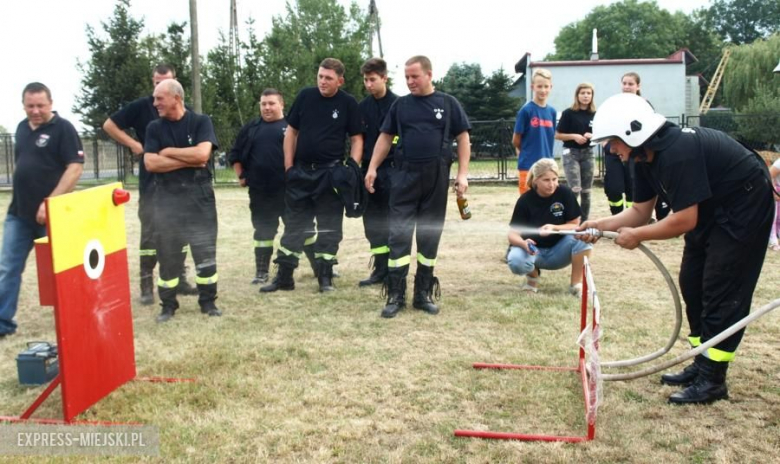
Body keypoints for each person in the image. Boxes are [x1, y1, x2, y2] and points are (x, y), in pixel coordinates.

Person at [579, 93, 774, 405]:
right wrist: (597, 225)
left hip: (744, 205)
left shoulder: (677, 153)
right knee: (692, 282)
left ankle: (713, 378)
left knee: (720, 286)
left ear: (633, 132)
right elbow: (639, 212)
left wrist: (637, 236)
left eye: (612, 141)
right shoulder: (643, 158)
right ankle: (701, 361)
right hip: (712, 207)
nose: (610, 149)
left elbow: (683, 220)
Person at [365, 55, 471, 318]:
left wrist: (463, 174)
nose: (410, 81)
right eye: (407, 77)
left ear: (429, 75)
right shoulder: (400, 106)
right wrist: (372, 167)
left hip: (436, 178)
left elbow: (463, 137)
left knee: (429, 235)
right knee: (399, 235)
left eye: (415, 76)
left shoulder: (448, 104)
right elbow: (385, 138)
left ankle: (422, 294)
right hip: (404, 178)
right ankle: (395, 294)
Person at [261, 58, 363, 293]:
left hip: (331, 175)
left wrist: (351, 168)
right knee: (294, 226)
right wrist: (289, 167)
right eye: (320, 76)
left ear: (340, 81)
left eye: (328, 78)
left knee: (329, 228)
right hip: (301, 173)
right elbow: (291, 132)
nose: (322, 81)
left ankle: (325, 278)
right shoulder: (305, 96)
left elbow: (357, 139)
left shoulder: (348, 103)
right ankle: (284, 277)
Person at [103, 64, 198, 306]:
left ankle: (180, 279)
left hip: (179, 185)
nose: (160, 88)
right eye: (157, 82)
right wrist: (135, 145)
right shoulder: (142, 106)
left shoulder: (186, 112)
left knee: (180, 233)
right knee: (150, 235)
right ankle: (146, 285)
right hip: (151, 183)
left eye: (165, 82)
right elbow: (109, 125)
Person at [0, 82, 84, 338]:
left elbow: (75, 168)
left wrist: (50, 203)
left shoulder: (64, 129)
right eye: (30, 106)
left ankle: (74, 318)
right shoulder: (21, 128)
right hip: (18, 214)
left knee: (63, 269)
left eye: (40, 105)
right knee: (8, 268)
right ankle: (3, 323)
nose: (35, 111)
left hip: (52, 216)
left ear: (51, 104)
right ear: (23, 105)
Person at [144, 79, 221, 323]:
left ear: (176, 98)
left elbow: (202, 155)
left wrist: (168, 152)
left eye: (159, 98)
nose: (155, 103)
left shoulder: (201, 122)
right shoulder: (154, 128)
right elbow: (151, 163)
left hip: (199, 198)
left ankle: (208, 302)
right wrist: (188, 160)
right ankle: (168, 305)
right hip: (167, 199)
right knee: (168, 255)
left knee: (205, 252)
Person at [228, 89, 318, 284]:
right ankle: (261, 273)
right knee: (263, 232)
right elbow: (235, 154)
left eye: (271, 103)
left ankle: (319, 268)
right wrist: (241, 175)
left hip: (291, 191)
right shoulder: (251, 128)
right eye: (263, 104)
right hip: (261, 192)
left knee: (304, 229)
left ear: (282, 104)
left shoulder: (293, 127)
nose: (267, 108)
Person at [506, 159, 592, 297]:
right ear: (536, 180)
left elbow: (575, 225)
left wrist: (554, 228)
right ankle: (532, 280)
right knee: (516, 260)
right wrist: (523, 244)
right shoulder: (525, 201)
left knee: (582, 237)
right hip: (533, 252)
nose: (551, 184)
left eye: (554, 179)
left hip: (559, 252)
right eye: (546, 180)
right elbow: (512, 234)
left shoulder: (565, 193)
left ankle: (576, 284)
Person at [357, 57, 398, 287]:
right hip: (368, 171)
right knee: (372, 222)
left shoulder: (399, 105)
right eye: (365, 80)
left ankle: (395, 270)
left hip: (393, 170)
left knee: (393, 222)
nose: (368, 84)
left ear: (384, 78)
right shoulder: (362, 108)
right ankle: (380, 269)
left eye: (372, 79)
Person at [555, 82, 596, 222]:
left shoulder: (595, 114)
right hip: (571, 153)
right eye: (582, 93)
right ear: (577, 95)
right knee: (575, 189)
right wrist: (574, 136)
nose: (585, 96)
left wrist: (593, 136)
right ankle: (568, 220)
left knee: (587, 191)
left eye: (588, 93)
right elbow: (557, 135)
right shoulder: (568, 113)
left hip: (588, 153)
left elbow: (601, 136)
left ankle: (584, 223)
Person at [512, 68, 556, 195]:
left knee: (547, 201)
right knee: (527, 201)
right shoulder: (526, 111)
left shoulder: (552, 112)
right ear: (532, 87)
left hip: (547, 166)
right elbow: (516, 140)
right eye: (539, 86)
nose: (543, 90)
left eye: (546, 86)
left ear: (551, 87)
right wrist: (527, 151)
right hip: (528, 166)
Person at [769, 158, 780, 251]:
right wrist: (774, 192)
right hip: (777, 191)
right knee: (774, 217)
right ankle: (773, 242)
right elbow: (769, 175)